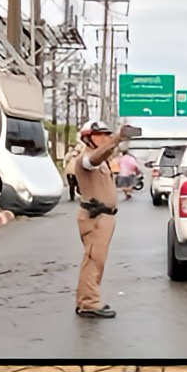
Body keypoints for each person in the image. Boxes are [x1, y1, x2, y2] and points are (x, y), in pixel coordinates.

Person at [71, 120, 127, 319]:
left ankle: (85, 299)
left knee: (96, 261)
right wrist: (117, 138)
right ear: (88, 138)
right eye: (100, 134)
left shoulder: (101, 161)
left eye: (107, 134)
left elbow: (103, 155)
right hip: (95, 217)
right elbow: (95, 157)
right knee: (94, 260)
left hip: (104, 217)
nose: (104, 137)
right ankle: (89, 303)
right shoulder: (85, 160)